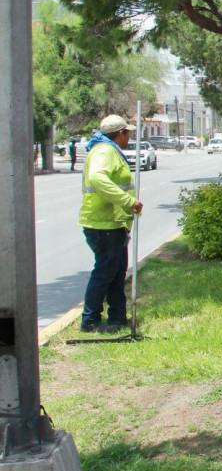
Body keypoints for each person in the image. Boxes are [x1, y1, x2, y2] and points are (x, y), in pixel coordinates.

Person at [79, 115, 144, 332]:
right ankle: (90, 321)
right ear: (120, 134)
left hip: (114, 224)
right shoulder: (105, 152)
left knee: (117, 272)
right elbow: (98, 178)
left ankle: (117, 317)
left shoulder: (108, 150)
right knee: (105, 272)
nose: (129, 138)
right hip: (103, 225)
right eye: (128, 134)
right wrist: (128, 201)